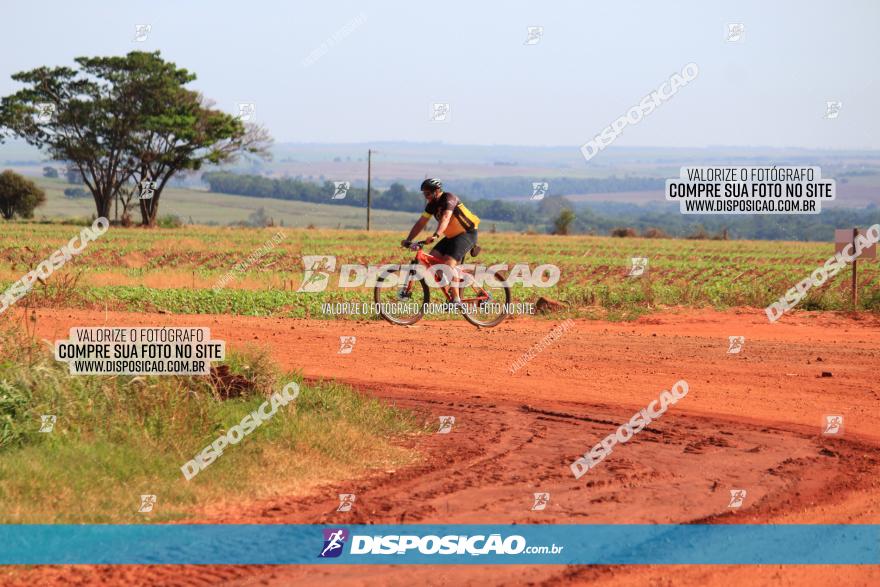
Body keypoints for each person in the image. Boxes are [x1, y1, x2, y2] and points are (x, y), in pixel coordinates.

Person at [401, 178, 480, 307]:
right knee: (432, 261)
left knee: (448, 264)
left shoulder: (449, 198)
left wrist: (436, 235)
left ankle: (456, 300)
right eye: (424, 194)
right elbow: (421, 222)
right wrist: (409, 239)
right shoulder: (432, 204)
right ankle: (452, 291)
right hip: (451, 237)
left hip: (467, 233)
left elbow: (445, 218)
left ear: (437, 191)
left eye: (428, 194)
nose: (426, 197)